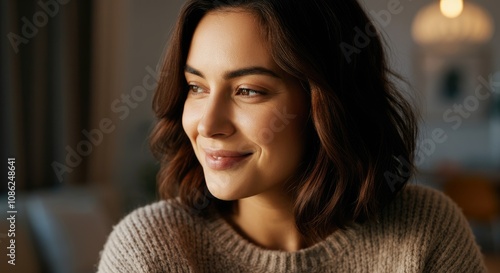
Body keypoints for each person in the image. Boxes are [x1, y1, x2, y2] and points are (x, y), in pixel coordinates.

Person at [97, 0, 487, 272]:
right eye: (196, 87)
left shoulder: (426, 229)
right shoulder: (149, 250)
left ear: (327, 104)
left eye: (248, 90)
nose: (208, 124)